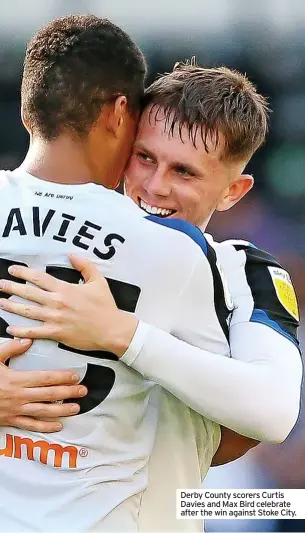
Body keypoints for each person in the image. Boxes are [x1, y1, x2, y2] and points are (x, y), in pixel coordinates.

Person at [1, 62, 302, 531]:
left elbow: (275, 411)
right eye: (144, 157)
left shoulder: (243, 270)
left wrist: (120, 332)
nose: (155, 186)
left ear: (233, 191)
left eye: (184, 171)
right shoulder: (52, 238)